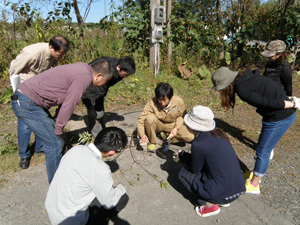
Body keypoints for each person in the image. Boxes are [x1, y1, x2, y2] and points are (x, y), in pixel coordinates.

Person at [11, 58, 113, 183]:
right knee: (54, 144)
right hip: (27, 103)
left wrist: (56, 123)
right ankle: (57, 189)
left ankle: (62, 177)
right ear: (99, 75)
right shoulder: (84, 77)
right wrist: (58, 129)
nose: (104, 84)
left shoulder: (82, 69)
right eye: (105, 81)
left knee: (56, 140)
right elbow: (69, 105)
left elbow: (64, 100)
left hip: (29, 100)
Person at [211, 67, 299, 195]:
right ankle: (255, 172)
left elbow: (268, 103)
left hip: (280, 117)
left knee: (263, 151)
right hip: (275, 115)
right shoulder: (246, 77)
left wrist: (293, 104)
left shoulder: (242, 89)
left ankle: (254, 184)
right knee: (263, 148)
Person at [45, 127, 129, 225]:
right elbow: (110, 203)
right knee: (122, 198)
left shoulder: (75, 149)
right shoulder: (101, 169)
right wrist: (120, 188)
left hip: (53, 209)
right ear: (112, 152)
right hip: (71, 220)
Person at [9, 36, 70, 169]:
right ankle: (24, 155)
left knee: (43, 118)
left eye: (64, 53)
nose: (62, 56)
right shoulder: (33, 53)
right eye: (60, 53)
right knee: (25, 124)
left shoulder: (54, 55)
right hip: (25, 89)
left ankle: (39, 147)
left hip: (40, 90)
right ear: (51, 48)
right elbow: (13, 68)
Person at [174, 105, 245, 217]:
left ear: (192, 126)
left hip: (220, 194)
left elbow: (195, 170)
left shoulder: (198, 144)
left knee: (182, 173)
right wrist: (185, 155)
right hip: (238, 189)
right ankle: (222, 200)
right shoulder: (220, 134)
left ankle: (208, 205)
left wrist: (182, 159)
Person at [81, 56, 136, 137]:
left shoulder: (121, 69)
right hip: (88, 85)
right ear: (118, 67)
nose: (125, 77)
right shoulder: (109, 70)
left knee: (99, 110)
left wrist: (100, 106)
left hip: (100, 86)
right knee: (93, 112)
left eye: (127, 75)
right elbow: (100, 90)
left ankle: (101, 126)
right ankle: (97, 136)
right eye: (125, 75)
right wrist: (94, 106)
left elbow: (104, 89)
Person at [136, 82, 194, 152]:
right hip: (158, 124)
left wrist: (176, 128)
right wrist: (142, 134)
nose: (162, 102)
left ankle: (167, 138)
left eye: (164, 100)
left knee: (190, 137)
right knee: (149, 118)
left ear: (171, 97)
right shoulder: (152, 102)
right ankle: (152, 141)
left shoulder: (179, 102)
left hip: (172, 125)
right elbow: (141, 120)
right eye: (159, 99)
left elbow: (182, 116)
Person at [261, 40, 293, 159]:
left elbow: (288, 86)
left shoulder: (285, 68)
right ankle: (265, 143)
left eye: (271, 54)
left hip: (278, 99)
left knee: (273, 123)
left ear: (279, 54)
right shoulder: (269, 64)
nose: (268, 57)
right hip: (267, 98)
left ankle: (269, 147)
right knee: (266, 121)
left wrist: (289, 100)